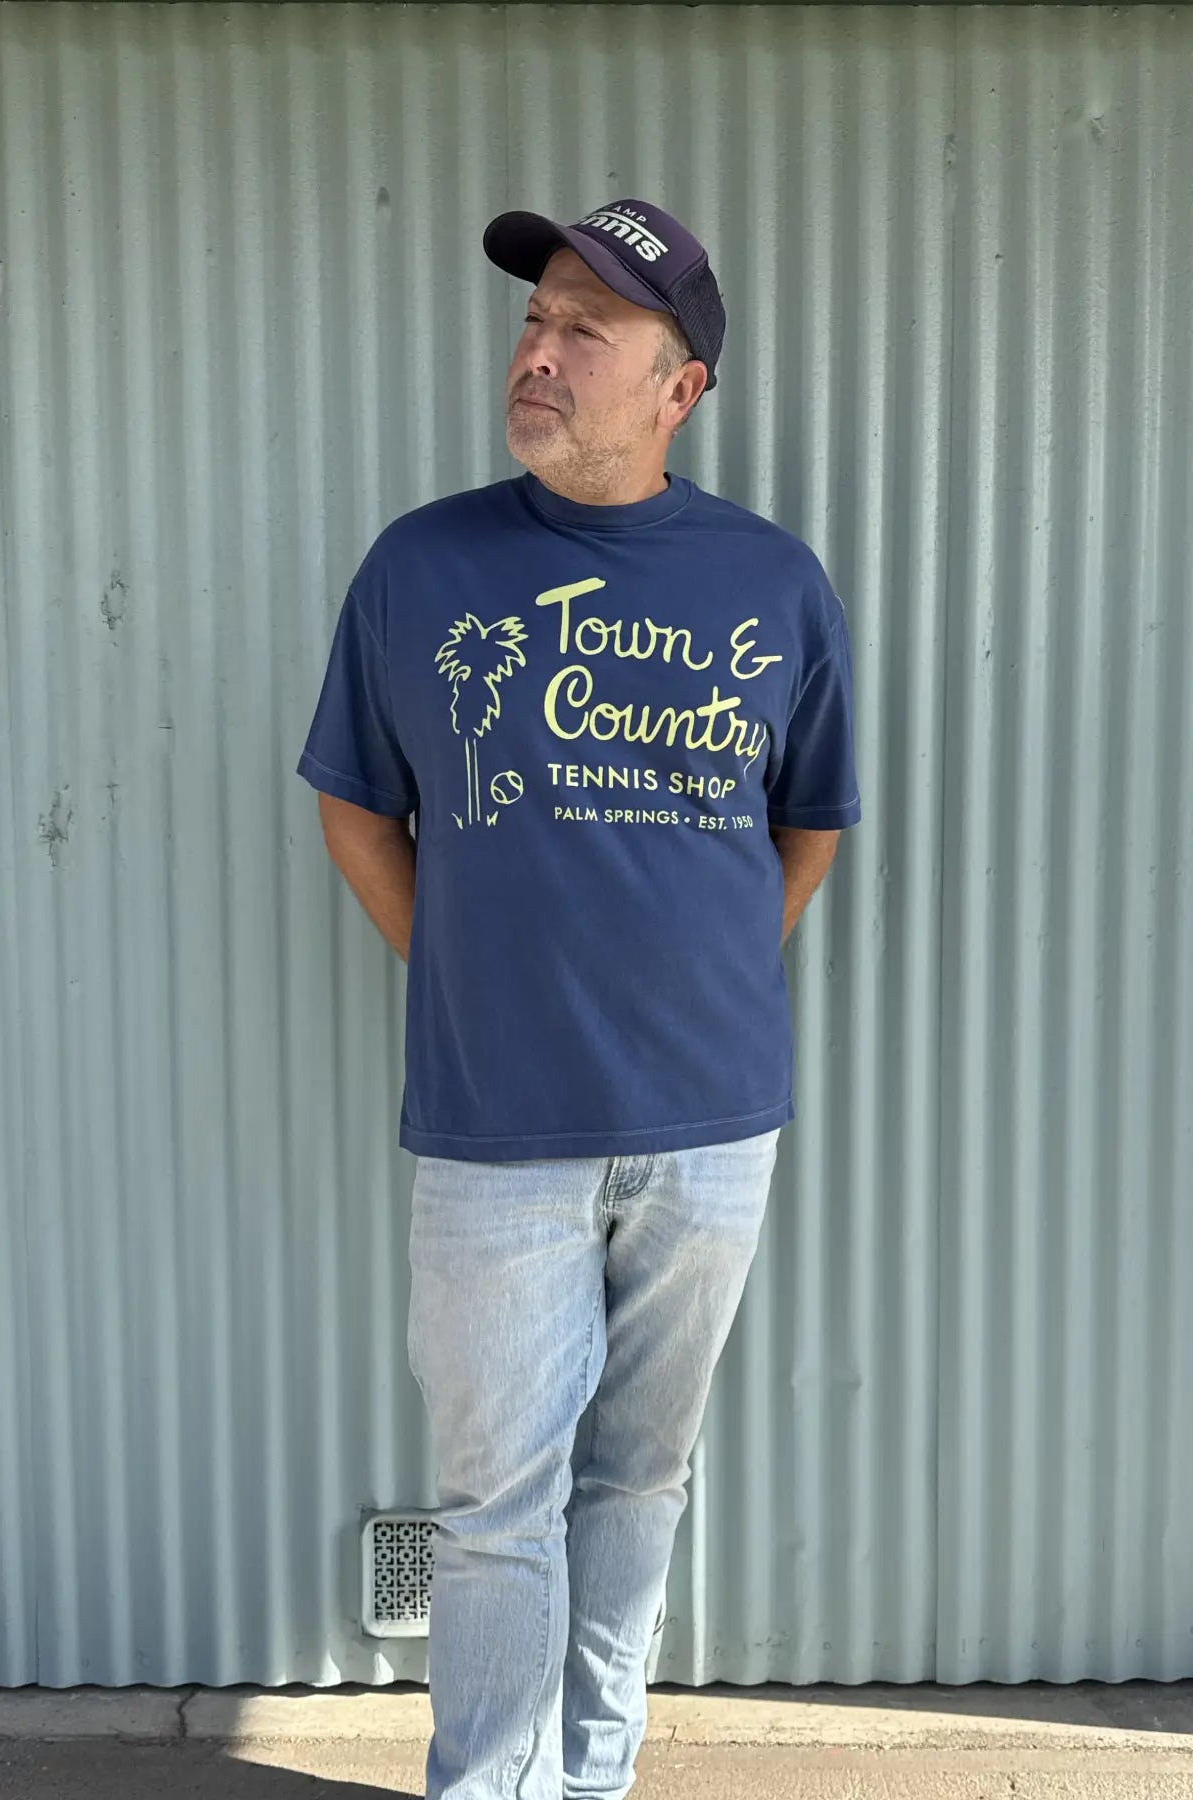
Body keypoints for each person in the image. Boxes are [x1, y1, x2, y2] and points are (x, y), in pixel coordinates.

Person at [296, 196, 861, 1800]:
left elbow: (808, 824)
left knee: (640, 1478)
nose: (538, 353)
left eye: (586, 331)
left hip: (713, 1130)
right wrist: (472, 975)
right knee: (496, 1505)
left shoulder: (773, 584)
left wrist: (710, 977)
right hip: (497, 1129)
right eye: (534, 320)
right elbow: (356, 808)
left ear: (679, 389)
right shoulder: (423, 567)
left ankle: (595, 1774)